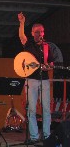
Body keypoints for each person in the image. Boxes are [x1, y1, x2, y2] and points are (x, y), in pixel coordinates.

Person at [18, 12, 54, 143]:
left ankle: (46, 134)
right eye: (38, 32)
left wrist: (48, 67)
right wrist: (22, 23)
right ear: (33, 33)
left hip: (44, 80)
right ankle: (34, 136)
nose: (40, 34)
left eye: (42, 31)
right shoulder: (28, 45)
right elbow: (21, 36)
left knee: (46, 108)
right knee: (32, 108)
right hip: (31, 80)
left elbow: (51, 63)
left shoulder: (46, 47)